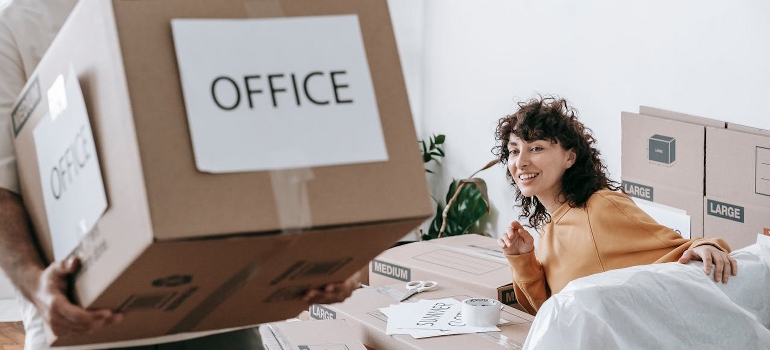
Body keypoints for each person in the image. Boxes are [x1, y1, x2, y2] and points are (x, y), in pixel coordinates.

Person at [0, 1, 360, 349]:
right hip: (82, 329)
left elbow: (274, 142)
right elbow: (3, 190)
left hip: (220, 316)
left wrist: (330, 252)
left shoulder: (203, 9)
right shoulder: (18, 25)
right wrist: (38, 288)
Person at [494, 96, 737, 316]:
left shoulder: (600, 208)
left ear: (570, 157)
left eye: (536, 148)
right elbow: (551, 313)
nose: (521, 162)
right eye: (514, 151)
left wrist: (706, 245)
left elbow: (677, 249)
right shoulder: (548, 230)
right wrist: (523, 259)